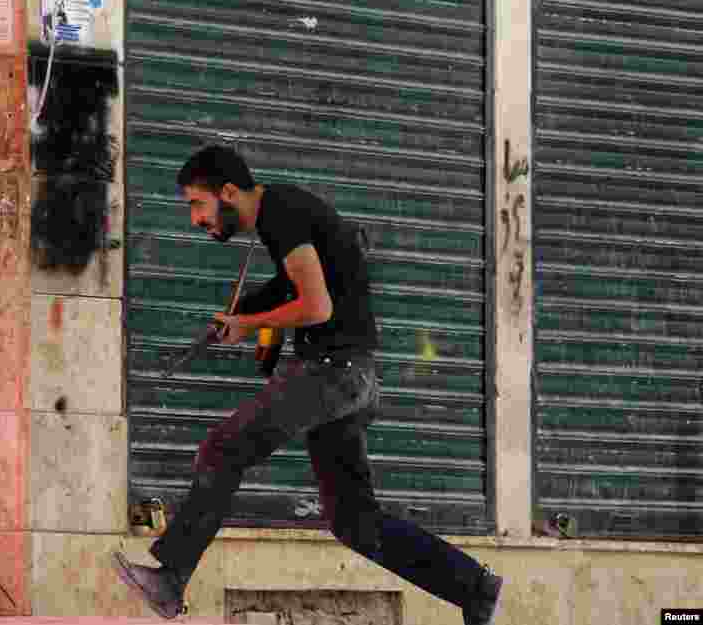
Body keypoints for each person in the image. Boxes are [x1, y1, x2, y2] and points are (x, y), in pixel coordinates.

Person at [113, 146, 504, 624]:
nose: (195, 218)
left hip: (331, 371)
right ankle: (474, 587)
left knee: (223, 448)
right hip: (352, 377)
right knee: (356, 524)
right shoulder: (286, 215)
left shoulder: (281, 213)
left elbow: (316, 307)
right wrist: (245, 319)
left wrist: (249, 320)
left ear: (229, 193)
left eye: (198, 204)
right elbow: (292, 290)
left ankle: (171, 576)